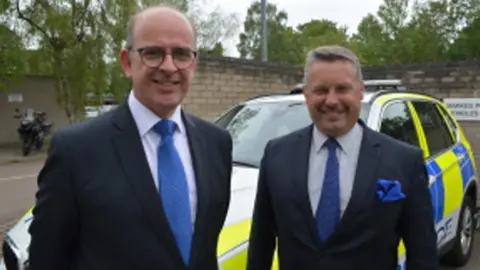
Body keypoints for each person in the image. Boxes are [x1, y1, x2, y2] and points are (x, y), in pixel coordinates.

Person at [28, 4, 232, 270]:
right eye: (153, 53)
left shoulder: (216, 143)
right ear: (127, 62)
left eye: (181, 54)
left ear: (194, 64)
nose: (169, 66)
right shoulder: (76, 150)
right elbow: (47, 257)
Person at [246, 45, 439, 270]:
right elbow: (261, 244)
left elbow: (423, 255)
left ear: (360, 92)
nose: (331, 100)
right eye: (321, 90)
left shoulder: (404, 161)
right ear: (306, 95)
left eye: (342, 89)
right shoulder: (276, 155)